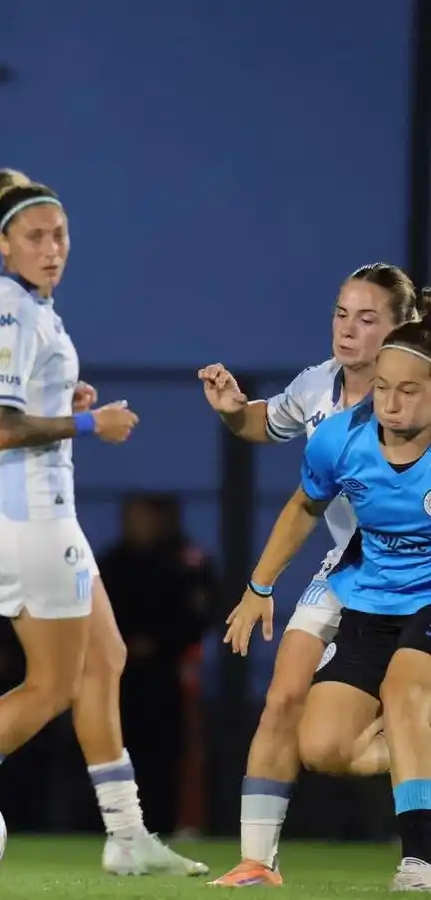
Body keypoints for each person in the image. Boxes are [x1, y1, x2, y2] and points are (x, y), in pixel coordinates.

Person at [0, 168, 206, 877]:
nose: (51, 246)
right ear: (3, 242)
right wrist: (90, 419)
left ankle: (128, 838)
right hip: (26, 512)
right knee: (51, 685)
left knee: (106, 660)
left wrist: (55, 391)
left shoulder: (16, 304)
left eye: (59, 234)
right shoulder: (10, 309)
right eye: (34, 235)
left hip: (41, 511)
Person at [204, 262, 425, 887]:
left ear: (402, 328)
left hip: (412, 572)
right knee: (285, 699)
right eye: (340, 313)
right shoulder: (317, 388)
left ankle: (418, 844)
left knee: (410, 697)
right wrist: (230, 410)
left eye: (367, 318)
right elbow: (263, 427)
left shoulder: (419, 395)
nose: (348, 331)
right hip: (350, 568)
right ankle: (256, 860)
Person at [99, 493, 213, 836]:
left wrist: (158, 643)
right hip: (119, 676)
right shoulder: (113, 561)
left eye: (141, 517)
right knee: (115, 748)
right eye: (129, 517)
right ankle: (113, 823)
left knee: (168, 754)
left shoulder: (185, 562)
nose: (134, 524)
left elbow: (198, 616)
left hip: (167, 676)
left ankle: (170, 824)